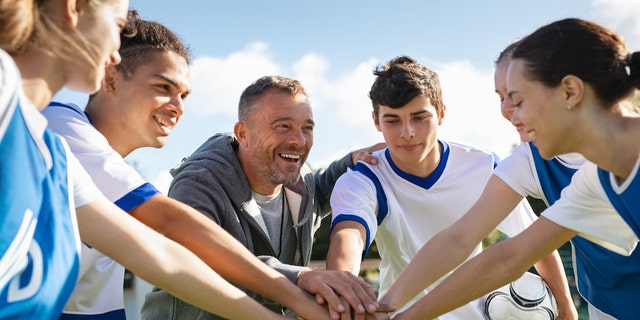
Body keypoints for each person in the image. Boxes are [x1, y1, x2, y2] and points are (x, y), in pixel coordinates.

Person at [0, 0, 306, 319]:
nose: (179, 107)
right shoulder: (55, 123)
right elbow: (170, 223)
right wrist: (297, 286)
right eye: (163, 87)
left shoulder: (60, 160)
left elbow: (162, 258)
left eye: (184, 96)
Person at [389, 18, 640, 320]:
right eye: (502, 98)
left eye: (517, 99)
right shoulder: (594, 182)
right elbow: (509, 256)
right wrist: (396, 314)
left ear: (570, 91)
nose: (509, 112)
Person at [324, 55, 572, 319]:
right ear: (376, 121)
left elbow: (534, 242)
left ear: (441, 113)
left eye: (419, 117)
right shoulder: (363, 178)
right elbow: (348, 237)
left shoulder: (482, 166)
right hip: (399, 313)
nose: (407, 132)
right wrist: (342, 290)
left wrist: (567, 311)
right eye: (392, 121)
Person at [140, 75, 389, 320]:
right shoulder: (197, 182)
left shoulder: (300, 182)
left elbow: (322, 187)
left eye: (307, 128)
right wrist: (302, 276)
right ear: (243, 134)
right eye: (283, 126)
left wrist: (354, 159)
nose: (299, 140)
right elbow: (205, 261)